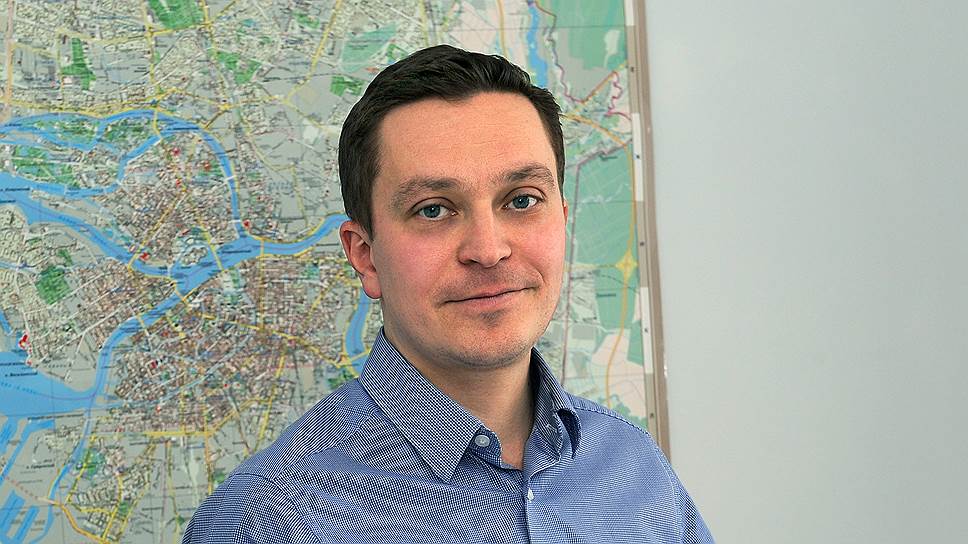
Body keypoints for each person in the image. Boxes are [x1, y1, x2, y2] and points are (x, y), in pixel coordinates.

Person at [182, 44, 713, 544]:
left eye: (522, 200)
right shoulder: (266, 519)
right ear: (365, 255)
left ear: (562, 220)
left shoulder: (638, 472)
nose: (488, 250)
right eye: (433, 209)